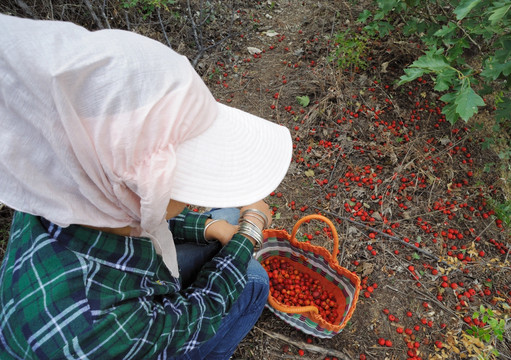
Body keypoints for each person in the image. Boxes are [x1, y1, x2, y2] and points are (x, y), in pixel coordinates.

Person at [0, 13, 292, 360]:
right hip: (111, 333)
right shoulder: (98, 325)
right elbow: (200, 311)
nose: (194, 191)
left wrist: (213, 226)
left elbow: (137, 221)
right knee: (253, 281)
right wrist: (250, 231)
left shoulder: (60, 188)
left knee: (225, 214)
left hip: (103, 292)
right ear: (130, 190)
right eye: (184, 178)